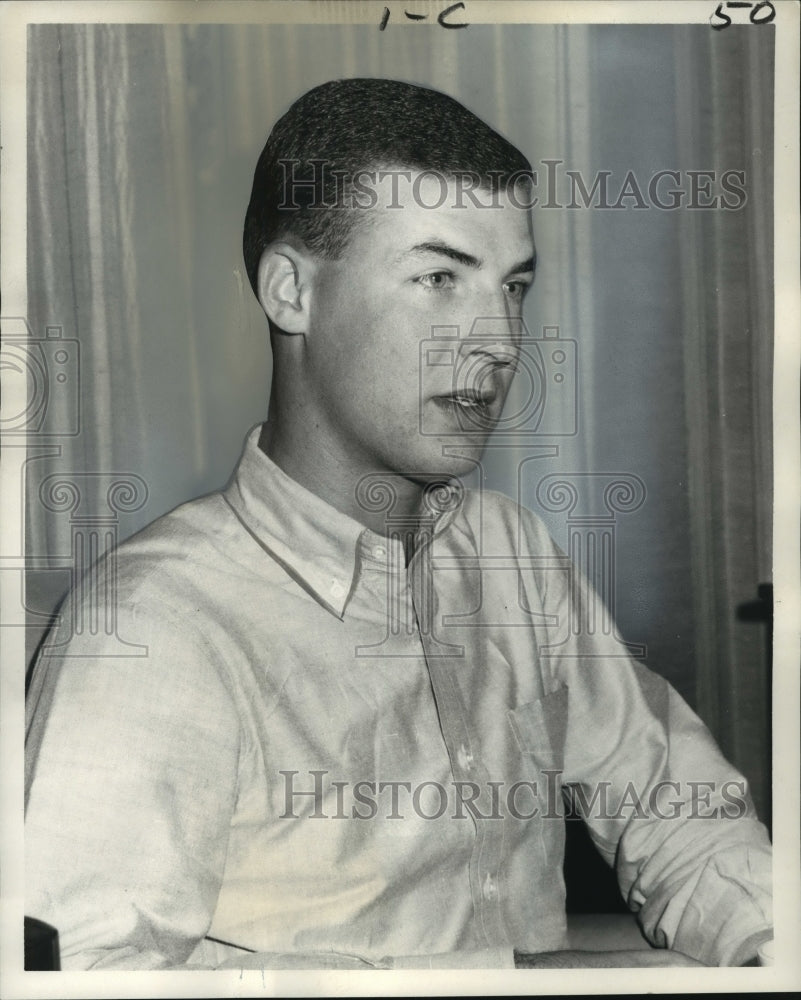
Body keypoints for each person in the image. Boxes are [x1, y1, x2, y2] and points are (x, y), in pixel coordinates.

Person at [24, 77, 772, 971]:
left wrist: (771, 940)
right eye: (439, 278)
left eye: (513, 287)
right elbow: (86, 976)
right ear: (291, 292)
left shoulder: (508, 554)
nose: (498, 340)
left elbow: (674, 812)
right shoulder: (153, 629)